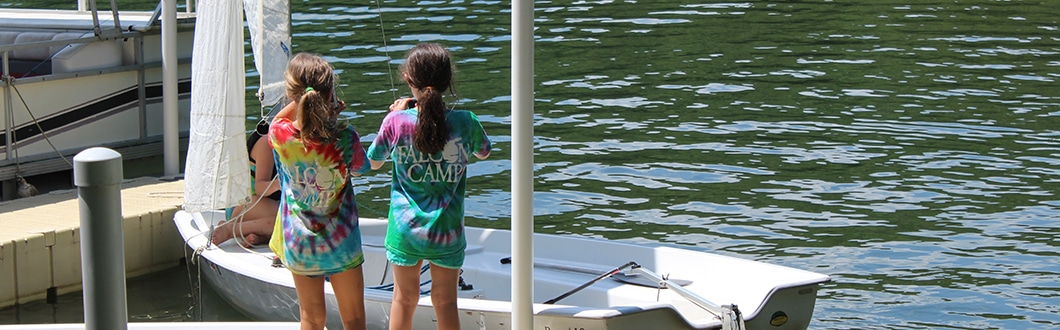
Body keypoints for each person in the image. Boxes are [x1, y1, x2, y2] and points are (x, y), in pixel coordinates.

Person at [367, 43, 491, 330]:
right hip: (447, 231)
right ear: (449, 82)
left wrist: (395, 114)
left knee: (404, 299)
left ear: (409, 81)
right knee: (446, 302)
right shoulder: (466, 122)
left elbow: (372, 162)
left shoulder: (396, 122)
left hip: (405, 231)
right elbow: (484, 151)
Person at [268, 52, 370, 330]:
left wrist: (305, 105)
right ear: (330, 95)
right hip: (341, 244)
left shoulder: (281, 136)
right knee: (354, 320)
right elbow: (362, 168)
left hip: (300, 244)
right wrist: (330, 116)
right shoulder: (346, 139)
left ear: (292, 95)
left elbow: (277, 121)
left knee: (311, 319)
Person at [211, 122, 281, 247]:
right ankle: (232, 229)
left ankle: (258, 235)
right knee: (292, 221)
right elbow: (260, 188)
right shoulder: (266, 142)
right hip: (244, 205)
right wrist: (282, 182)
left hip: (266, 206)